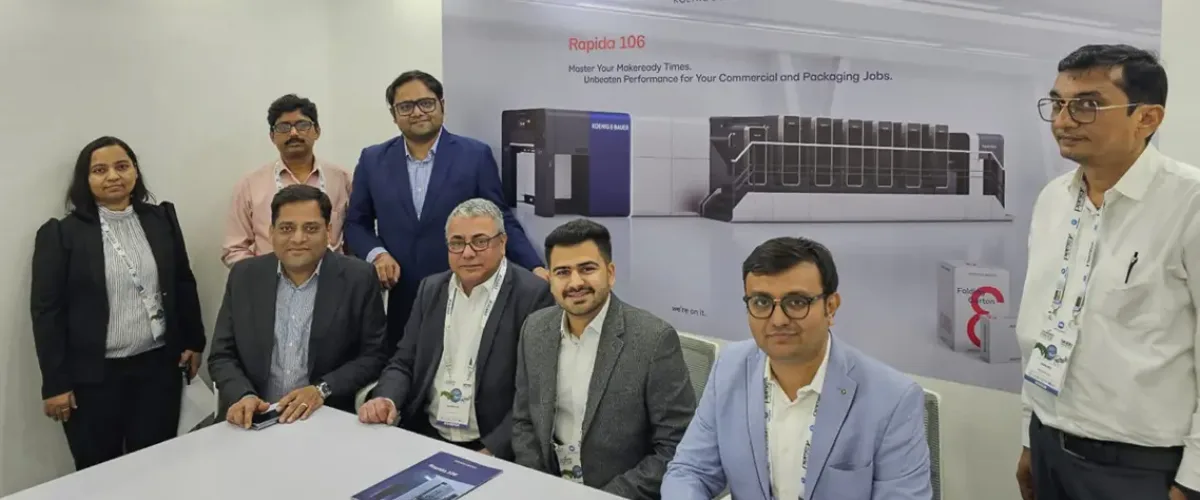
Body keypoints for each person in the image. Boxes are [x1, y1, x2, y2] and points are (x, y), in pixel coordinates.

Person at [1015, 44, 1200, 500]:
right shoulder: (1053, 199)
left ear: (1147, 118)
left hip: (1140, 465)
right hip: (1049, 442)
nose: (1063, 121)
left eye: (1086, 105)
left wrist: (1193, 480)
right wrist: (1029, 435)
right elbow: (1041, 323)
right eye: (1057, 104)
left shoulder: (1189, 204)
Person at [661, 236, 932, 499]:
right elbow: (690, 471)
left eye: (797, 302)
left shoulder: (893, 400)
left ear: (831, 307)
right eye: (761, 302)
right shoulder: (729, 368)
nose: (778, 320)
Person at [30, 136, 206, 470]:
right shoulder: (61, 234)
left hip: (157, 370)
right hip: (93, 380)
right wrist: (55, 383)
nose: (113, 176)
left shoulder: (161, 219)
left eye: (122, 166)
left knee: (158, 466)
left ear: (135, 172)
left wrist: (193, 341)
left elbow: (183, 281)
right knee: (99, 474)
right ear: (85, 179)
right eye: (100, 170)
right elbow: (47, 313)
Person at [344, 70, 545, 351]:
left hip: (463, 287)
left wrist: (534, 266)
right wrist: (377, 254)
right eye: (406, 106)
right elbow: (356, 224)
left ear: (442, 105)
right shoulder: (372, 159)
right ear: (394, 114)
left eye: (426, 103)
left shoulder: (474, 155)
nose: (417, 112)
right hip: (400, 293)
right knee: (404, 366)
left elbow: (500, 218)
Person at [511, 218, 696, 499]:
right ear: (550, 280)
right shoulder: (534, 329)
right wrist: (540, 485)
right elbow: (524, 421)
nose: (575, 282)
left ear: (610, 273)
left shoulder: (654, 340)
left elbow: (675, 446)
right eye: (563, 272)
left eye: (587, 269)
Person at [358, 198, 556, 459]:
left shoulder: (533, 295)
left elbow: (537, 390)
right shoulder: (431, 288)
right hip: (425, 434)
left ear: (503, 243)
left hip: (490, 445)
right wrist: (386, 398)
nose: (468, 253)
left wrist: (495, 449)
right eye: (457, 243)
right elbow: (404, 362)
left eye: (480, 241)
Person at [208, 185, 387, 428]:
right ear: (271, 232)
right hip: (255, 417)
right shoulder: (245, 276)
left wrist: (321, 390)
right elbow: (222, 355)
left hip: (323, 418)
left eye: (311, 228)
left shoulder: (358, 278)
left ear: (328, 231)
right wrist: (243, 395)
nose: (298, 238)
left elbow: (374, 355)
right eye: (287, 228)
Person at [221, 94, 352, 267]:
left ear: (317, 131)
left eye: (302, 125)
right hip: (270, 280)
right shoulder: (249, 185)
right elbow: (234, 249)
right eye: (283, 127)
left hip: (333, 277)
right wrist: (262, 275)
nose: (293, 133)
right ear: (272, 136)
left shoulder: (342, 179)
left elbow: (355, 234)